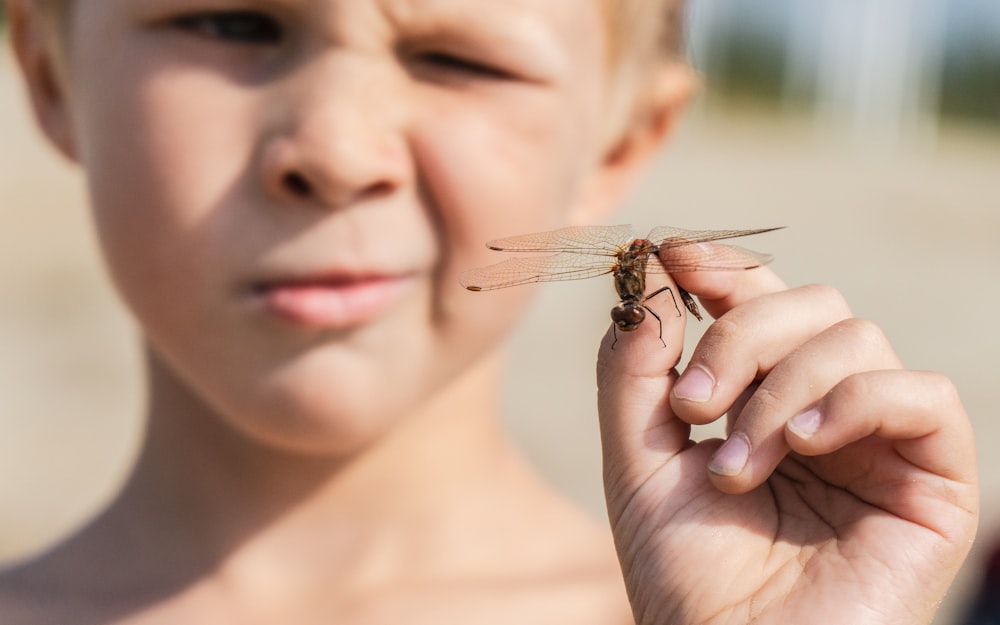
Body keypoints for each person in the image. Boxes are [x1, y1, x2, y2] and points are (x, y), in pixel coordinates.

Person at [0, 0, 979, 623]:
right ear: (49, 77)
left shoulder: (712, 593)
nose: (338, 149)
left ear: (623, 141)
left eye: (457, 58)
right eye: (232, 22)